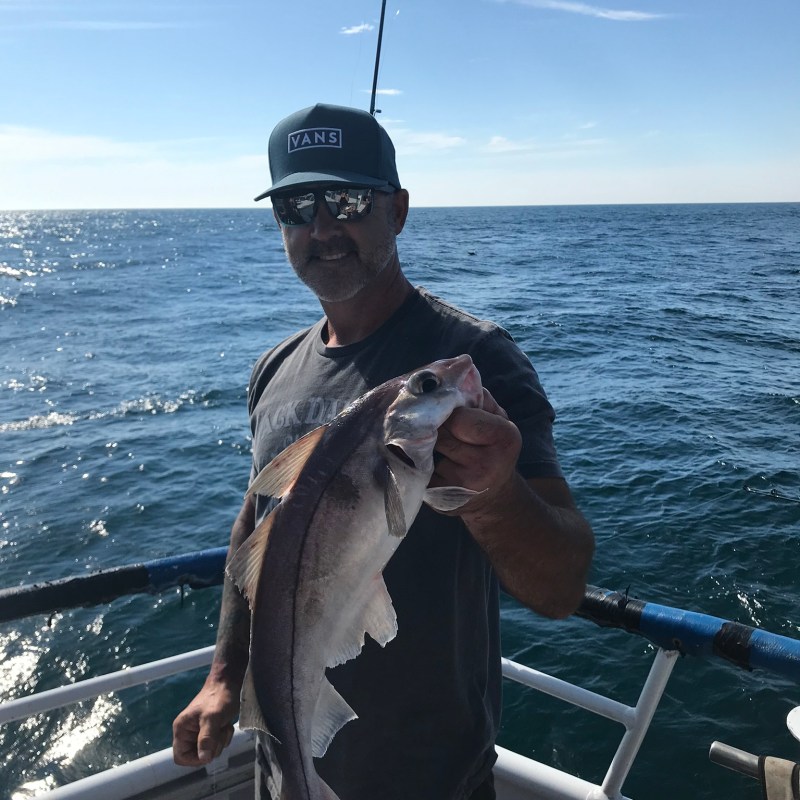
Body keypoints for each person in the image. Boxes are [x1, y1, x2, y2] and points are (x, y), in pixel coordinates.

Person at [172, 103, 594, 800]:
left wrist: (494, 496)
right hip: (283, 766)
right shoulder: (273, 370)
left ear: (397, 211)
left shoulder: (478, 358)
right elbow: (256, 530)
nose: (321, 228)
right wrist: (224, 676)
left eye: (346, 201)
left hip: (431, 777)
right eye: (295, 207)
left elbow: (562, 586)